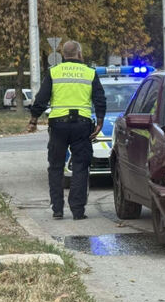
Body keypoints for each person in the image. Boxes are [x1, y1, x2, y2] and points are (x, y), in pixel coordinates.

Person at [27, 40, 106, 220]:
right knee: (80, 167)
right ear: (79, 53)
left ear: (63, 54)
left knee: (55, 167)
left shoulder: (54, 72)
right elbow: (100, 98)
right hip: (82, 125)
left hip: (58, 126)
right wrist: (100, 121)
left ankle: (57, 210)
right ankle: (78, 211)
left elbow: (42, 98)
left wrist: (33, 120)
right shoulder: (90, 73)